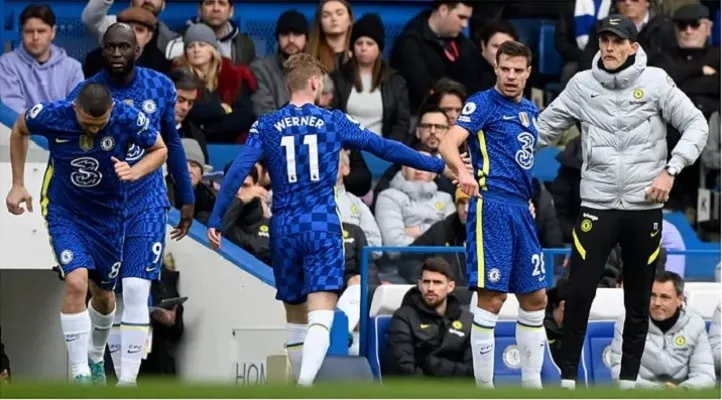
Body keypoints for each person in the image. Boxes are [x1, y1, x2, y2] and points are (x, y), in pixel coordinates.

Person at [206, 53, 457, 387]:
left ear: (286, 85)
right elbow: (384, 147)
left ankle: (300, 380)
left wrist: (215, 217)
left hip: (283, 227)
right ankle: (305, 385)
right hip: (321, 225)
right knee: (321, 314)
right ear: (315, 83)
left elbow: (238, 170)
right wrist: (439, 165)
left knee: (295, 316)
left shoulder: (266, 124)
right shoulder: (332, 120)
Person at [534, 14, 709, 390]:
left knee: (638, 301)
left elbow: (698, 125)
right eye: (604, 40)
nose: (610, 48)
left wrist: (671, 170)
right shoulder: (582, 85)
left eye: (617, 41)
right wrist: (492, 153)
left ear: (633, 45)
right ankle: (567, 381)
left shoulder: (657, 81)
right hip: (597, 205)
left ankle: (627, 384)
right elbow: (540, 131)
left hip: (644, 208)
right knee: (577, 294)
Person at [5, 83, 167, 383]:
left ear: (111, 112)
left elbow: (160, 148)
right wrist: (17, 182)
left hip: (109, 216)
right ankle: (80, 372)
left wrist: (137, 170)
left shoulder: (127, 118)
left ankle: (94, 355)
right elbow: (18, 129)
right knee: (77, 282)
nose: (93, 131)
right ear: (74, 109)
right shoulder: (53, 114)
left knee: (104, 297)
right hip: (65, 211)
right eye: (87, 124)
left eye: (100, 124)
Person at [67, 22, 195, 386]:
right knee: (104, 295)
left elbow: (171, 141)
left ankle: (127, 381)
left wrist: (185, 196)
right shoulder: (85, 91)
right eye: (111, 48)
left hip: (147, 200)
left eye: (125, 48)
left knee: (137, 288)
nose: (118, 54)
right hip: (100, 205)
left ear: (138, 51)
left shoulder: (160, 86)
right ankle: (94, 360)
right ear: (102, 51)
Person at [438, 40, 547, 390]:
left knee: (535, 297)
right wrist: (463, 172)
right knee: (493, 298)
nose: (512, 76)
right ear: (496, 69)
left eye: (519, 70)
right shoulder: (482, 103)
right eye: (506, 69)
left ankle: (532, 385)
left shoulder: (531, 110)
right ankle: (485, 389)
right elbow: (448, 142)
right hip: (492, 206)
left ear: (528, 72)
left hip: (521, 209)